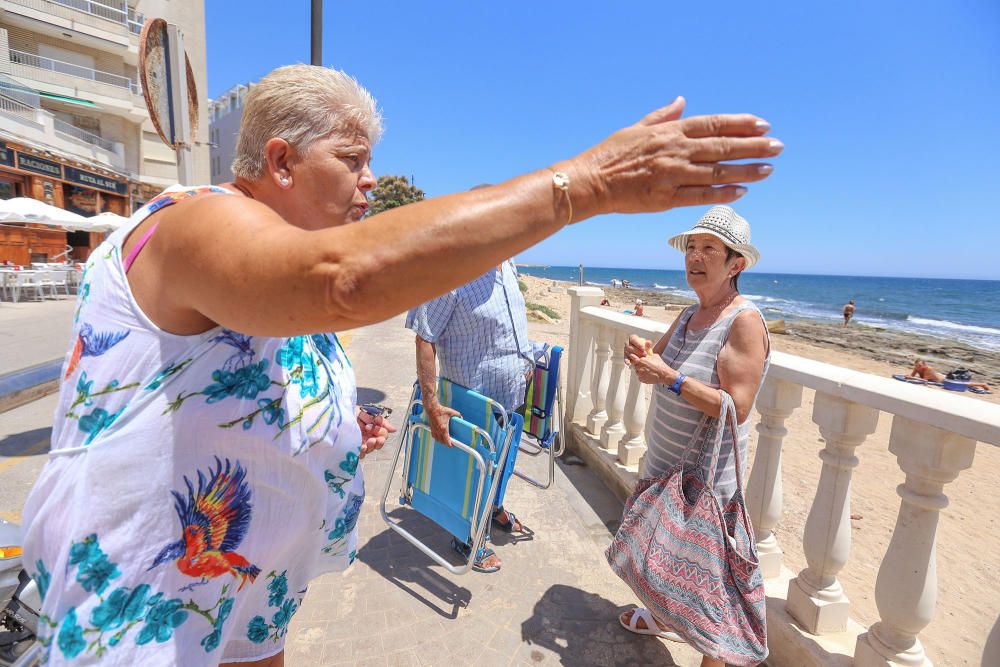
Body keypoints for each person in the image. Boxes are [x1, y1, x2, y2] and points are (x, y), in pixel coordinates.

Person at [22, 61, 780, 666]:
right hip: (141, 611)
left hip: (243, 598)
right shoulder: (192, 220)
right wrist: (585, 185)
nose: (371, 179)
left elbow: (237, 367)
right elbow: (340, 281)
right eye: (352, 159)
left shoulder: (261, 262)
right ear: (280, 161)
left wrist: (328, 422)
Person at [618, 206, 770, 667]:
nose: (696, 257)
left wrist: (672, 378)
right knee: (663, 558)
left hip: (706, 480)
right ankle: (664, 617)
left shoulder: (742, 321)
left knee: (710, 594)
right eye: (692, 247)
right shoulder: (689, 313)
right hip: (667, 466)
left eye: (710, 249)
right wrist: (641, 355)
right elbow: (656, 367)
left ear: (735, 264)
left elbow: (737, 408)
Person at [406, 239, 534, 572]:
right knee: (473, 470)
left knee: (502, 461)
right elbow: (424, 337)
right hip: (472, 401)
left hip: (510, 397)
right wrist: (431, 405)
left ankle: (492, 507)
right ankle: (466, 537)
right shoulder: (450, 271)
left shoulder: (507, 263)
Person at [907, 359, 991, 391]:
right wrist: (909, 376)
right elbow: (912, 376)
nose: (918, 367)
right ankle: (978, 385)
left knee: (963, 384)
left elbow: (924, 380)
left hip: (943, 379)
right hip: (939, 377)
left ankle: (983, 384)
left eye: (920, 365)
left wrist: (910, 377)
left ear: (924, 365)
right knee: (964, 385)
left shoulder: (928, 369)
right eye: (917, 365)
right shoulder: (916, 368)